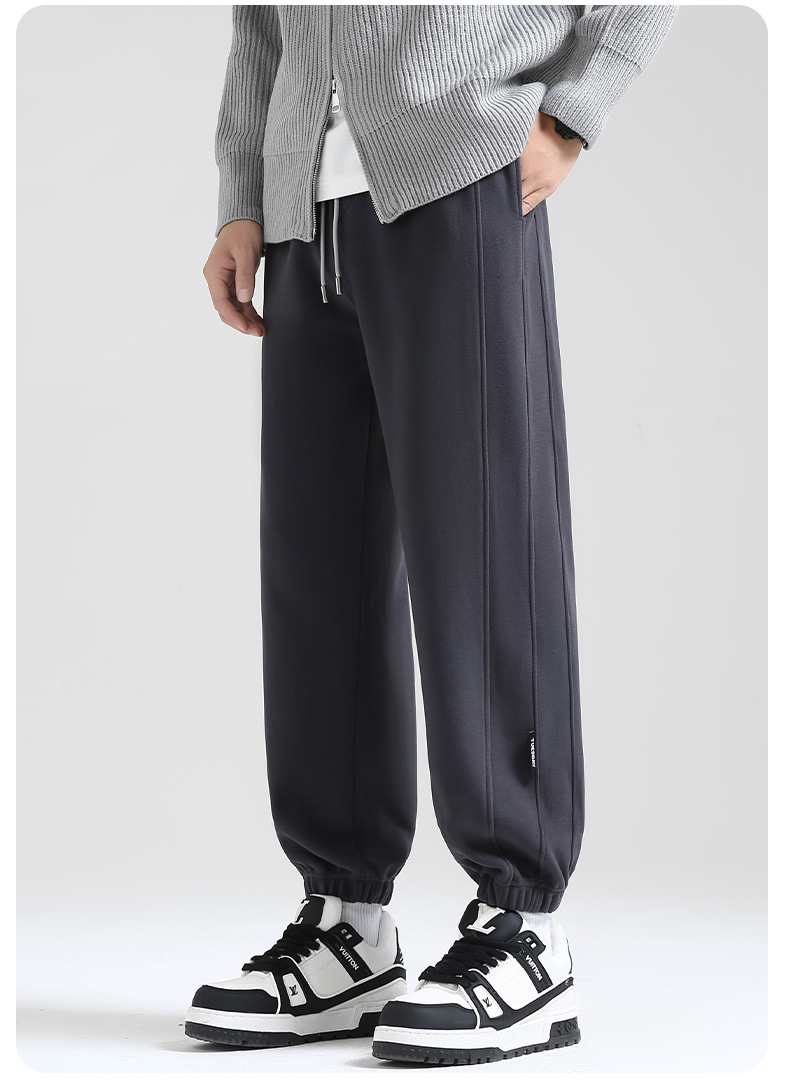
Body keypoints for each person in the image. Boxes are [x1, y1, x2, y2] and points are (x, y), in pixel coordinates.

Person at [186, 4, 677, 1065]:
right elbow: (260, 25)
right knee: (319, 570)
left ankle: (524, 925)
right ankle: (348, 922)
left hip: (460, 175)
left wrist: (573, 112)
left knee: (483, 556)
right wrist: (244, 193)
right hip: (302, 216)